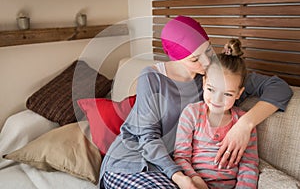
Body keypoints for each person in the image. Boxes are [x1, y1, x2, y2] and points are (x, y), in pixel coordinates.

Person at [99, 16, 292, 189]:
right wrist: (181, 177)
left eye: (208, 50)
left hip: (176, 167)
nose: (207, 61)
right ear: (176, 58)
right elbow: (148, 138)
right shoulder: (152, 78)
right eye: (195, 59)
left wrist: (245, 124)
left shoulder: (216, 76)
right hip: (132, 163)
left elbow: (279, 88)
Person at [173, 46, 259, 189]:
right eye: (211, 90)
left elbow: (249, 164)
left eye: (227, 94)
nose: (217, 100)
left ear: (239, 93)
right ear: (204, 83)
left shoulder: (243, 122)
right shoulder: (192, 113)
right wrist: (194, 179)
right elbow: (181, 157)